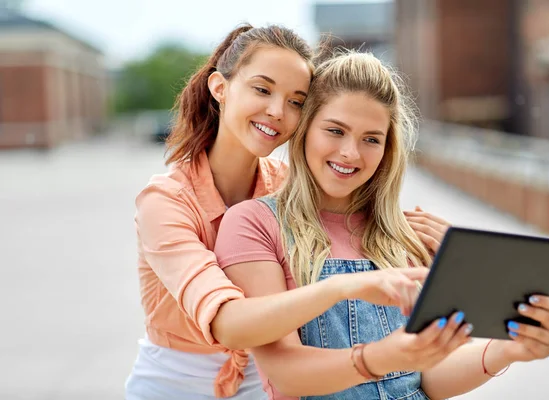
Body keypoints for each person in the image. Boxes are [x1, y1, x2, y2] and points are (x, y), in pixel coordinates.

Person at [213, 51, 549, 399]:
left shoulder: (406, 236)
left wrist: (509, 350)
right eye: (335, 130)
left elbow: (427, 379)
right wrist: (382, 357)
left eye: (371, 139)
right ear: (304, 130)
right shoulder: (253, 224)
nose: (351, 152)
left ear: (387, 148)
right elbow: (286, 376)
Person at [125, 25, 449, 400]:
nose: (277, 111)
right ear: (220, 88)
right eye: (262, 89)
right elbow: (228, 323)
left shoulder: (287, 187)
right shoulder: (165, 201)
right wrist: (345, 287)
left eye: (296, 101)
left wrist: (414, 240)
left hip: (266, 383)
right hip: (179, 385)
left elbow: (351, 222)